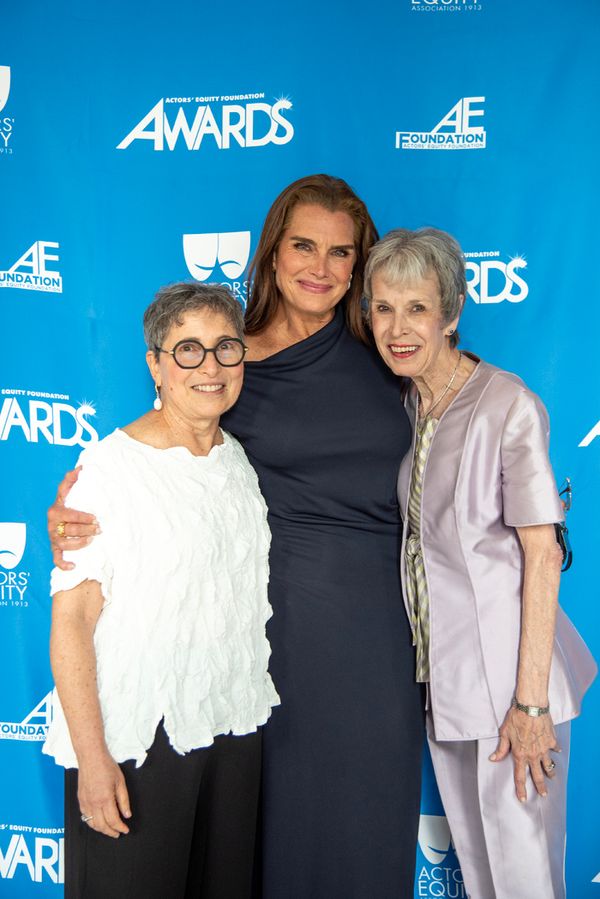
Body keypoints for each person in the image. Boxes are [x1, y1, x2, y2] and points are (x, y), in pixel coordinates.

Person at [48, 175, 424, 898]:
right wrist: (67, 511)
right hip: (269, 642)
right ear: (272, 252)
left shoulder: (386, 348)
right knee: (261, 851)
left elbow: (459, 426)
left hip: (374, 641)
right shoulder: (228, 359)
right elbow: (152, 458)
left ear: (359, 265)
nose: (320, 266)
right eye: (304, 245)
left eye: (341, 252)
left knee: (360, 839)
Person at [365, 226, 597, 899]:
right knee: (484, 875)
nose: (398, 326)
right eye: (383, 307)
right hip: (452, 687)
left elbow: (542, 553)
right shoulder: (414, 403)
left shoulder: (508, 404)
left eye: (417, 308)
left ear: (452, 313)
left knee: (524, 879)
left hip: (513, 689)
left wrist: (529, 705)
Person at [43, 282, 280, 899]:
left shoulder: (239, 463)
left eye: (226, 348)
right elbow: (71, 625)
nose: (210, 367)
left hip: (231, 732)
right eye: (188, 350)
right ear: (155, 362)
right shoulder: (109, 469)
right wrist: (93, 762)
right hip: (134, 744)